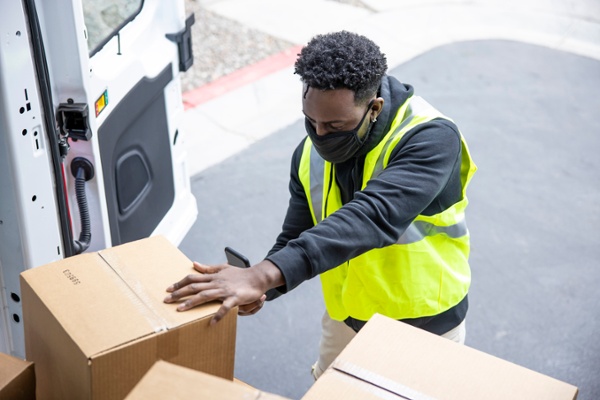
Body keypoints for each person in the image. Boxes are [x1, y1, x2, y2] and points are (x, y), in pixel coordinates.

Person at [164, 30, 477, 379]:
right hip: (348, 315)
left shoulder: (429, 138)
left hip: (422, 322)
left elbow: (372, 217)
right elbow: (297, 234)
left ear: (374, 107)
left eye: (334, 125)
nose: (319, 135)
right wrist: (263, 284)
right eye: (310, 121)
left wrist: (262, 274)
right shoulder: (309, 152)